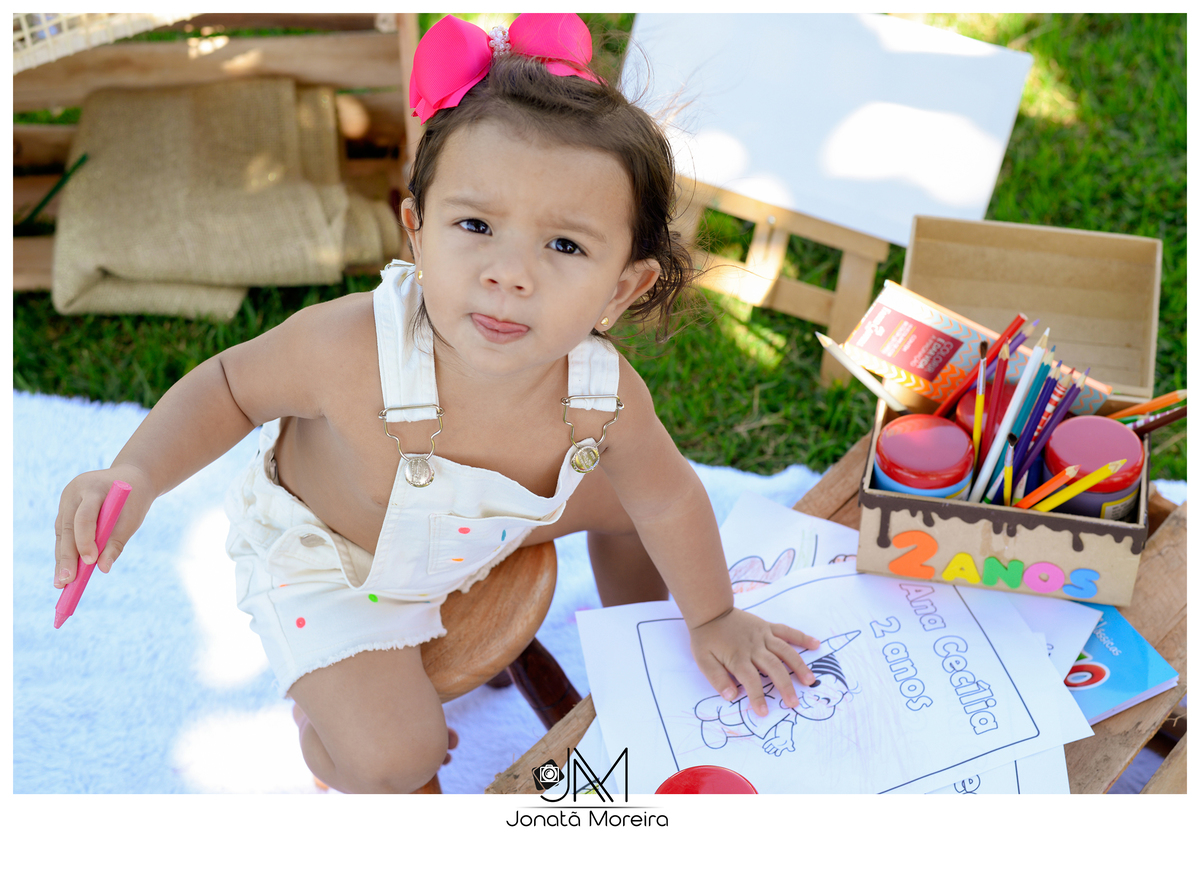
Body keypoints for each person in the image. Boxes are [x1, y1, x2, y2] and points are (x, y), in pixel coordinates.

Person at [53, 13, 820, 794]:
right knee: (396, 758)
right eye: (476, 224)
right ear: (417, 232)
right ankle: (320, 733)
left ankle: (639, 646)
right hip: (340, 566)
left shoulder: (602, 395)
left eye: (564, 245)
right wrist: (137, 471)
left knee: (633, 504)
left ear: (622, 287)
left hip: (474, 531)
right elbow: (228, 386)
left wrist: (712, 615)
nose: (508, 273)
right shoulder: (352, 349)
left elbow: (669, 498)